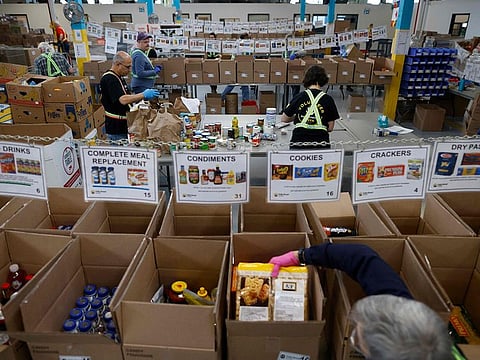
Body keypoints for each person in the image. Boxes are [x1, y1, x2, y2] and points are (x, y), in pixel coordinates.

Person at [268, 243, 460, 360]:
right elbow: (362, 257)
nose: (355, 339)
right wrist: (299, 256)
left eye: (358, 341)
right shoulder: (406, 319)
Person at [100, 51, 159, 142]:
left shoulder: (119, 77)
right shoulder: (110, 79)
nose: (130, 70)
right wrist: (143, 94)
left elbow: (125, 95)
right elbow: (123, 99)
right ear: (118, 64)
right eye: (127, 67)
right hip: (116, 128)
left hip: (125, 124)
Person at [281, 64, 340, 149]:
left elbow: (284, 119)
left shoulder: (299, 96)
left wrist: (298, 116)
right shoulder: (328, 99)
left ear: (306, 79)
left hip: (299, 142)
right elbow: (330, 128)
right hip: (321, 143)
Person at [221, 33, 250, 104]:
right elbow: (235, 57)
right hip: (238, 67)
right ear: (244, 38)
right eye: (248, 38)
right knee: (233, 84)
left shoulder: (243, 45)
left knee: (243, 85)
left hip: (241, 67)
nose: (249, 40)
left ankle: (245, 102)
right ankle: (222, 98)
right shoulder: (240, 46)